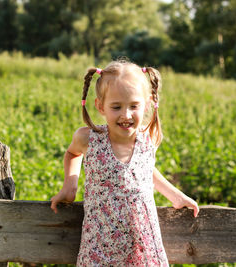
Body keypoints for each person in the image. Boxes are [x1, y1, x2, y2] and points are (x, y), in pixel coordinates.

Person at [50, 60, 199, 266]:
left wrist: (176, 196)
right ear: (100, 106)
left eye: (134, 106)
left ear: (147, 104)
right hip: (100, 246)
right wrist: (70, 186)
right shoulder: (89, 139)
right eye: (116, 106)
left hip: (142, 246)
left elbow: (145, 171)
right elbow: (72, 154)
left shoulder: (149, 138)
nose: (126, 115)